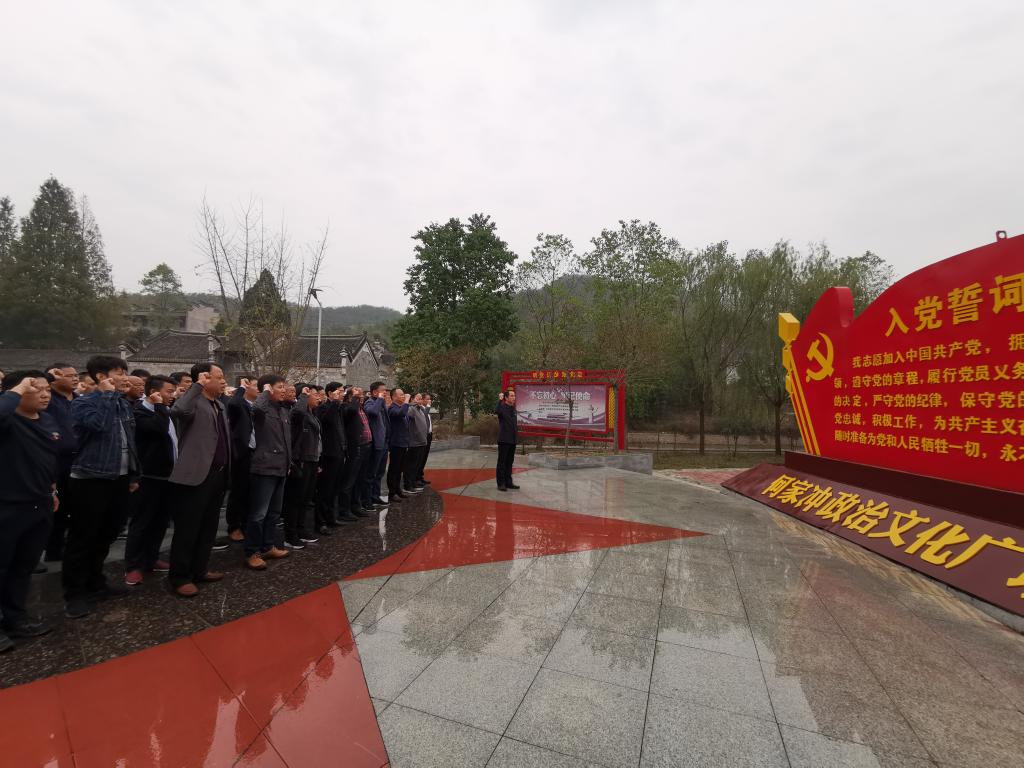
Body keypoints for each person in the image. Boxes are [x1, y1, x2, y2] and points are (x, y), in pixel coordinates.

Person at [62, 355, 139, 619]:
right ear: (101, 377)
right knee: (82, 537)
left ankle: (96, 581)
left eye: (125, 372)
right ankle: (74, 593)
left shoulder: (122, 404)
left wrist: (133, 474)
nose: (125, 378)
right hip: (90, 478)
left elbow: (129, 441)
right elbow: (98, 425)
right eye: (119, 373)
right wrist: (106, 395)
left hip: (119, 478)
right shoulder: (83, 403)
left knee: (108, 533)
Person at [0, 371, 60, 651]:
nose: (45, 394)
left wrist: (52, 489)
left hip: (40, 504)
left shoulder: (47, 420)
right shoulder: (8, 420)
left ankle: (15, 618)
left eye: (48, 389)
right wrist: (16, 389)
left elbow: (49, 458)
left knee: (23, 567)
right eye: (36, 389)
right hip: (8, 506)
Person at [166, 363, 231, 597]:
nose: (223, 381)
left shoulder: (218, 405)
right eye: (219, 377)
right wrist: (196, 387)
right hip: (195, 476)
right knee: (188, 528)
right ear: (203, 378)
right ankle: (180, 576)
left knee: (208, 527)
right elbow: (178, 411)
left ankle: (200, 569)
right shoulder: (193, 401)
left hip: (217, 475)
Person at [123, 375, 177, 586]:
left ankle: (151, 558)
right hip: (148, 477)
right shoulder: (139, 412)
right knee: (142, 522)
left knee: (160, 522)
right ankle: (133, 566)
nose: (172, 395)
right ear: (154, 392)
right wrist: (160, 406)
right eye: (169, 391)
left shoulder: (166, 412)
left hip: (168, 476)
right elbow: (159, 429)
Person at [244, 375, 292, 570]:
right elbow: (256, 409)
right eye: (279, 387)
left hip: (281, 467)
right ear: (269, 389)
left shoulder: (282, 410)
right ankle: (252, 552)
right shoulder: (262, 410)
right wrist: (264, 392)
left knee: (273, 513)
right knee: (258, 514)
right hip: (265, 468)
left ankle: (267, 546)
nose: (284, 390)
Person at [43, 363, 79, 562]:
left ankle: (69, 546)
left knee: (75, 507)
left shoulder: (80, 400)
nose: (75, 378)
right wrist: (48, 378)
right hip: (57, 462)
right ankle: (53, 549)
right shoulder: (49, 399)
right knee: (57, 508)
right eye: (69, 375)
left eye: (76, 375)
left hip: (79, 461)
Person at [283, 385, 322, 549]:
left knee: (306, 498)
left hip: (313, 459)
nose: (318, 397)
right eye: (314, 395)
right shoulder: (298, 413)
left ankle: (301, 529)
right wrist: (304, 396)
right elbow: (298, 413)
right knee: (295, 499)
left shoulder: (313, 414)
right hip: (301, 459)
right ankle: (291, 535)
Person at [225, 375, 258, 543]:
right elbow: (234, 404)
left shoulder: (256, 406)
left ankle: (247, 524)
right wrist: (241, 388)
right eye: (256, 385)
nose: (259, 389)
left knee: (251, 492)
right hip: (242, 453)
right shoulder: (240, 404)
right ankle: (234, 526)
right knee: (238, 491)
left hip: (256, 453)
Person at [315, 382, 347, 529]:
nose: (342, 394)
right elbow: (327, 421)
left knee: (335, 488)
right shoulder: (323, 408)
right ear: (330, 393)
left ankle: (331, 517)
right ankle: (321, 522)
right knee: (325, 489)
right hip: (329, 454)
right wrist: (334, 403)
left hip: (340, 452)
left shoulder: (339, 407)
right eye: (339, 391)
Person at [338, 387, 372, 518]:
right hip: (354, 448)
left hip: (365, 446)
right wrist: (355, 398)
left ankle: (356, 505)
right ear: (350, 397)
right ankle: (344, 510)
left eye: (361, 395)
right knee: (349, 480)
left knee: (359, 478)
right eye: (358, 395)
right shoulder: (346, 407)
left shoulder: (360, 408)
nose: (361, 397)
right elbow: (351, 411)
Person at [361, 382, 390, 511]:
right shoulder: (370, 402)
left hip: (384, 443)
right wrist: (380, 399)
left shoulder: (381, 403)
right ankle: (367, 500)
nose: (385, 393)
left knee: (380, 472)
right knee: (371, 474)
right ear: (374, 392)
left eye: (386, 391)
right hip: (376, 444)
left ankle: (375, 496)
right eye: (383, 391)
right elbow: (372, 412)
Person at [386, 388, 411, 503]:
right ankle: (392, 493)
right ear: (394, 397)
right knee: (394, 469)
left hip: (403, 442)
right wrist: (406, 401)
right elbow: (401, 414)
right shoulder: (392, 408)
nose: (403, 396)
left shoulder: (401, 407)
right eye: (401, 395)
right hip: (396, 443)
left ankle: (397, 489)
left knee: (400, 468)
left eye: (404, 395)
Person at [404, 393, 429, 494]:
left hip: (422, 442)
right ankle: (408, 485)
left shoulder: (420, 409)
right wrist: (412, 404)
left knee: (417, 465)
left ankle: (414, 482)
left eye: (421, 399)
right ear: (412, 399)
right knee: (411, 465)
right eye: (418, 398)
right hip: (414, 442)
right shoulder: (411, 409)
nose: (420, 400)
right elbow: (407, 413)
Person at [495, 389, 519, 491]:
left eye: (514, 396)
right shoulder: (502, 407)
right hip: (504, 440)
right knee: (502, 462)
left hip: (513, 440)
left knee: (509, 462)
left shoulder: (513, 409)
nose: (514, 397)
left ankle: (508, 482)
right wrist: (500, 400)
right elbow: (497, 411)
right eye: (512, 396)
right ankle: (501, 483)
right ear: (506, 397)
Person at [416, 392, 434, 485]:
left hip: (428, 435)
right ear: (422, 400)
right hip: (423, 436)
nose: (429, 401)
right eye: (427, 399)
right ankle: (417, 478)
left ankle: (420, 476)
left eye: (430, 399)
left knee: (424, 457)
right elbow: (424, 415)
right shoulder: (420, 409)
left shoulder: (425, 409)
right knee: (420, 457)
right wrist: (428, 406)